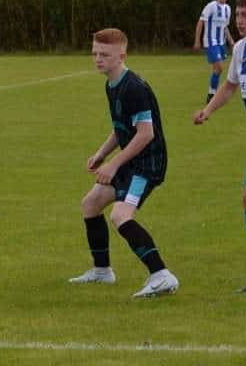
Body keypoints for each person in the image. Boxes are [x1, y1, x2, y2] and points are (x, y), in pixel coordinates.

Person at [71, 28, 177, 297]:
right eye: (95, 53)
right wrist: (101, 153)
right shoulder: (112, 84)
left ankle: (161, 275)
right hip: (130, 161)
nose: (98, 59)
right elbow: (122, 128)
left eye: (104, 54)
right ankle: (102, 272)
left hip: (146, 164)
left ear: (122, 55)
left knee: (120, 216)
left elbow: (145, 133)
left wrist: (114, 164)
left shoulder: (134, 88)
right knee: (90, 204)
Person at [194, 0, 246, 292]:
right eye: (238, 14)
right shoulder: (240, 49)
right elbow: (229, 87)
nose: (239, 19)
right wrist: (208, 110)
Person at [194, 0, 235, 102]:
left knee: (218, 69)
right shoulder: (211, 6)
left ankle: (213, 93)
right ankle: (212, 95)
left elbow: (225, 27)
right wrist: (197, 40)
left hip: (221, 43)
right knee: (219, 68)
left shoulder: (227, 9)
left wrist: (231, 41)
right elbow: (201, 22)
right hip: (211, 41)